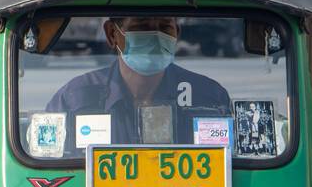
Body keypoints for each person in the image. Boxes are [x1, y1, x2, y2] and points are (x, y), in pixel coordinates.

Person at [44, 16, 231, 149]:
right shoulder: (73, 100)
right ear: (112, 34)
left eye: (165, 28)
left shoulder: (208, 98)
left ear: (177, 34)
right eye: (141, 26)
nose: (155, 37)